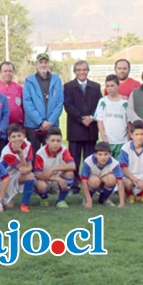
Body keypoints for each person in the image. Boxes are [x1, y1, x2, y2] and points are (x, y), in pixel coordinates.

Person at [63, 60, 102, 192]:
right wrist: (80, 118)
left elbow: (100, 105)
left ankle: (90, 184)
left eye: (84, 69)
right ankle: (74, 184)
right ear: (75, 72)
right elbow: (68, 105)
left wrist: (91, 117)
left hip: (91, 128)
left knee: (90, 158)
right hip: (75, 128)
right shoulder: (68, 86)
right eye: (79, 70)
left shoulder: (96, 87)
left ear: (88, 71)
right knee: (74, 158)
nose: (82, 72)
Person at [23, 53, 64, 152]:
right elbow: (27, 103)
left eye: (45, 62)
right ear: (37, 65)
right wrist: (40, 121)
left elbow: (60, 102)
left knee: (51, 154)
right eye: (40, 62)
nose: (43, 65)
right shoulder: (29, 81)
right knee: (33, 155)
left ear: (49, 64)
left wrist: (50, 121)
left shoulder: (56, 80)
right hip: (33, 125)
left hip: (51, 124)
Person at [33, 127, 76, 208]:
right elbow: (38, 174)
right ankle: (44, 198)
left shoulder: (63, 149)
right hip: (45, 179)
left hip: (57, 177)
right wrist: (57, 179)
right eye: (52, 141)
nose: (56, 144)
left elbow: (73, 166)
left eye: (58, 141)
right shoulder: (40, 153)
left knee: (70, 173)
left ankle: (60, 200)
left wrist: (53, 169)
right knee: (40, 185)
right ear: (47, 141)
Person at [0, 123, 35, 213]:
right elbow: (22, 169)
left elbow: (29, 167)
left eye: (19, 135)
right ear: (9, 139)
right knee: (9, 206)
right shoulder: (6, 153)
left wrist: (28, 169)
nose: (17, 139)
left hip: (19, 174)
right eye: (13, 137)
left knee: (30, 176)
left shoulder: (28, 144)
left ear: (24, 136)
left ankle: (24, 205)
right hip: (6, 178)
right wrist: (21, 154)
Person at [80, 141, 125, 208]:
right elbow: (83, 181)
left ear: (110, 154)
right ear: (95, 154)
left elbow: (120, 182)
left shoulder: (114, 163)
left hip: (104, 180)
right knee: (94, 181)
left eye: (105, 154)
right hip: (93, 181)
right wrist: (89, 201)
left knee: (112, 179)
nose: (103, 157)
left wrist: (121, 203)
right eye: (100, 154)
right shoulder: (88, 161)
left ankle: (104, 199)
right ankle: (87, 198)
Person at [94, 74, 129, 159]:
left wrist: (128, 137)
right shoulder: (102, 101)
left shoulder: (125, 102)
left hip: (122, 140)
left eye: (112, 85)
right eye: (107, 86)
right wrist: (103, 137)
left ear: (118, 86)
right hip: (107, 141)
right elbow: (100, 120)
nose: (109, 88)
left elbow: (129, 121)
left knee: (120, 166)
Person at [0, 61, 24, 126]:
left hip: (17, 126)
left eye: (10, 71)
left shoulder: (19, 88)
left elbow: (24, 107)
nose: (8, 73)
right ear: (0, 72)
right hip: (0, 127)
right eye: (5, 71)